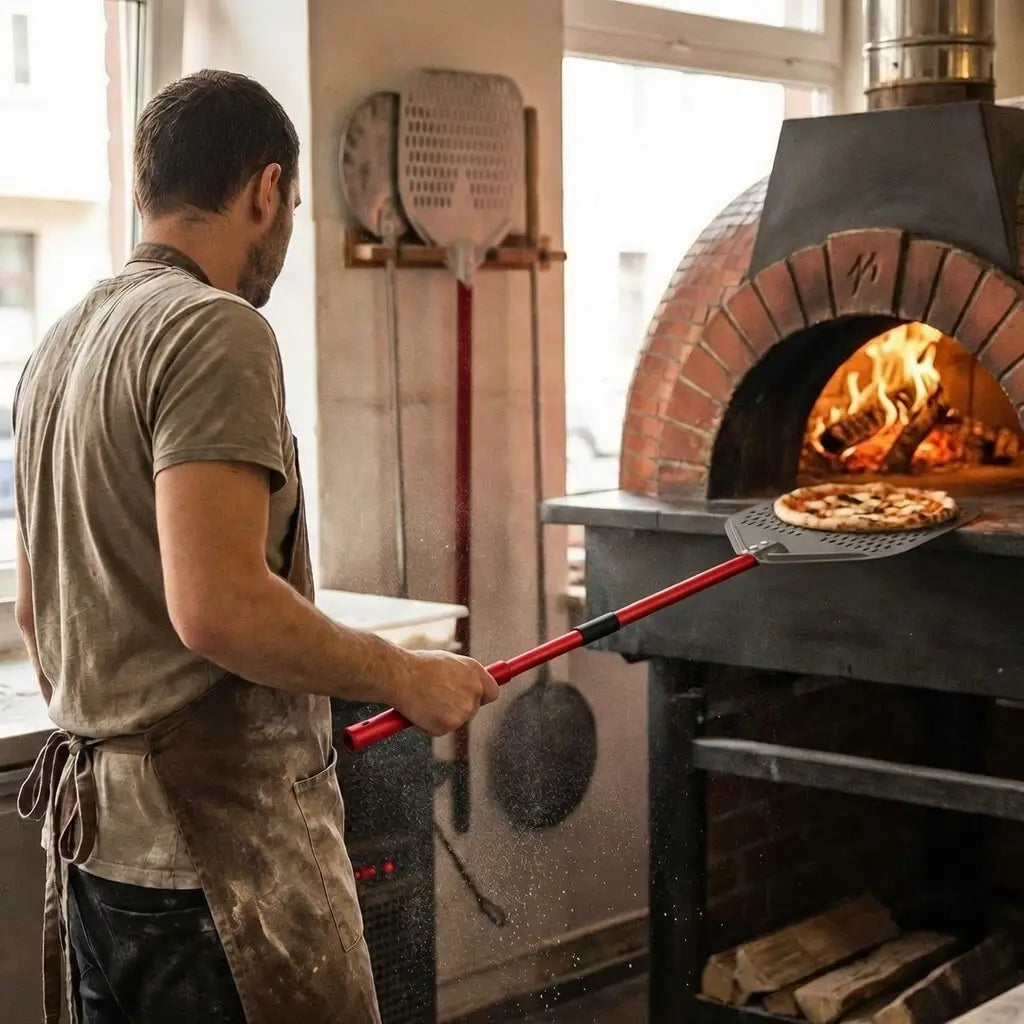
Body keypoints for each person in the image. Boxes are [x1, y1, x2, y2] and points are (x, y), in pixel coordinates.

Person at [14, 69, 499, 1024]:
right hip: (215, 874)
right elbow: (219, 607)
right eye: (291, 207)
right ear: (265, 189)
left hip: (97, 867)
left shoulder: (58, 347)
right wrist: (401, 674)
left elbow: (39, 613)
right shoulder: (213, 329)